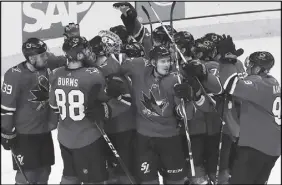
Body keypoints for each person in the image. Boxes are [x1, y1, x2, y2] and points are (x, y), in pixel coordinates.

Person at [117, 44, 213, 184]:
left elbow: (187, 115)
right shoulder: (138, 67)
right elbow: (119, 69)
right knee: (148, 181)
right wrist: (117, 81)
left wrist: (187, 99)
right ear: (153, 62)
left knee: (176, 181)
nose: (167, 65)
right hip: (144, 138)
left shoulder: (177, 79)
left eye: (169, 60)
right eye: (163, 61)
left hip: (169, 138)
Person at [49, 35, 120, 184]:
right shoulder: (93, 75)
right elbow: (107, 101)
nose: (90, 52)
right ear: (80, 55)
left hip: (64, 137)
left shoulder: (56, 74)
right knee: (95, 180)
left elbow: (54, 107)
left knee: (69, 176)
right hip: (88, 138)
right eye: (87, 50)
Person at [217, 36, 281, 184]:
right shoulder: (273, 82)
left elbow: (230, 84)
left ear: (258, 68)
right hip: (272, 148)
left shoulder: (258, 83)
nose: (247, 69)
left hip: (256, 148)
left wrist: (228, 60)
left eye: (250, 66)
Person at [1, 38, 61, 184]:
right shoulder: (14, 75)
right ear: (32, 58)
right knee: (27, 177)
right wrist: (7, 133)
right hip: (24, 135)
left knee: (45, 172)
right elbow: (6, 108)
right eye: (43, 55)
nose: (47, 57)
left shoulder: (47, 67)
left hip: (44, 131)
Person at [89, 30, 142, 184]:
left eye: (89, 52)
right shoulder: (99, 67)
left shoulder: (114, 68)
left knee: (125, 171)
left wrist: (104, 109)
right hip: (108, 126)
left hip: (123, 127)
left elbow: (125, 99)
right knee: (112, 170)